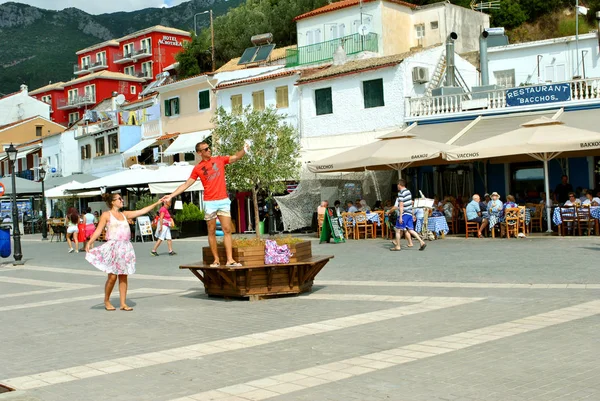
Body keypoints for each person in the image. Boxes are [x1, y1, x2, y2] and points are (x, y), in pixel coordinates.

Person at [160, 141, 249, 267]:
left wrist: (244, 149)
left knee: (227, 230)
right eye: (206, 149)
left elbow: (235, 157)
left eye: (209, 148)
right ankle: (216, 260)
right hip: (209, 202)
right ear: (199, 152)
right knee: (211, 231)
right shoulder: (197, 168)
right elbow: (186, 184)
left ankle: (230, 260)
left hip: (223, 200)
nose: (209, 150)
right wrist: (171, 195)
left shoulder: (219, 160)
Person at [85, 193, 162, 311]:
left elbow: (141, 211)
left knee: (123, 275)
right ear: (112, 202)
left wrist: (157, 203)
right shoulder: (106, 215)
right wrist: (90, 242)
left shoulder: (124, 214)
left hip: (125, 247)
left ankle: (123, 303)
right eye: (119, 199)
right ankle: (106, 300)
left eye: (121, 198)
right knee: (112, 277)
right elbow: (98, 230)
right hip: (113, 247)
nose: (122, 200)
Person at [386, 179, 426, 251]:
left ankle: (398, 246)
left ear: (399, 185)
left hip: (404, 214)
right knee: (410, 230)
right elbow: (410, 203)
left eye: (397, 185)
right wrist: (413, 214)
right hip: (409, 213)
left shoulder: (401, 193)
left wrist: (400, 216)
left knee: (398, 230)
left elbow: (401, 205)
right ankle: (421, 241)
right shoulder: (408, 192)